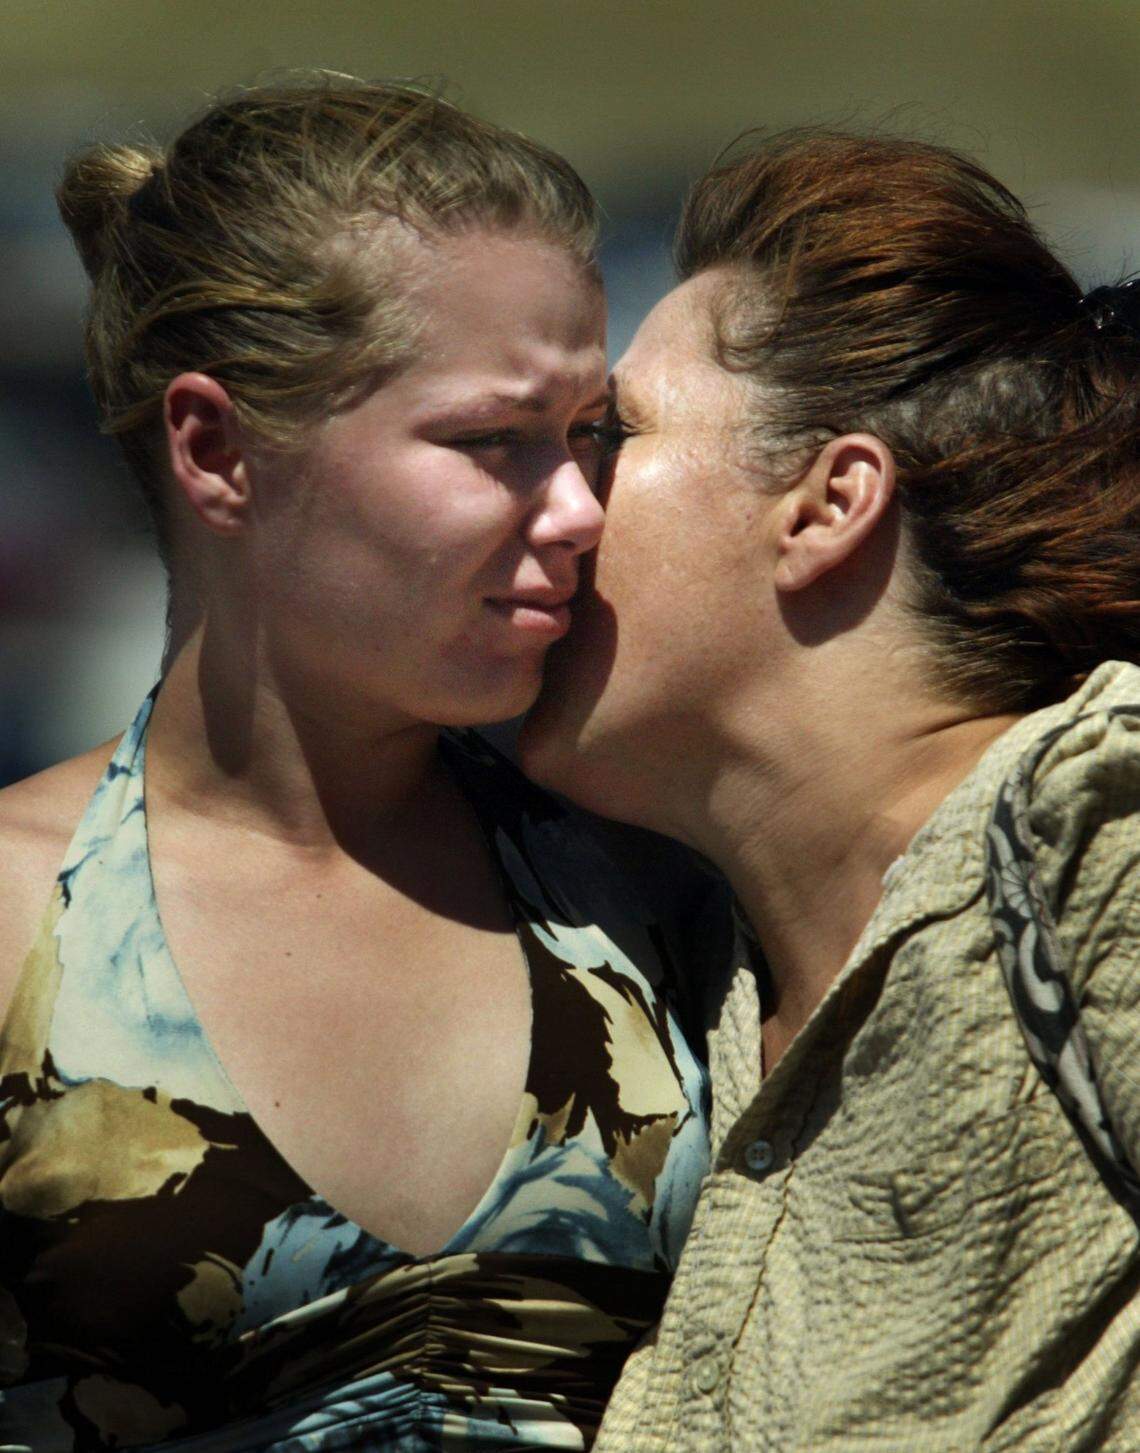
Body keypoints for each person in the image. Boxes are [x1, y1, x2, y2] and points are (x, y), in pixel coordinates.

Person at [0, 79, 717, 1452]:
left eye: (586, 438)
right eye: (493, 440)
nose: (579, 510)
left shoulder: (648, 889)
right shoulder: (21, 919)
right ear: (214, 447)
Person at [521, 130, 1140, 1450]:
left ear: (828, 501)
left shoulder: (1103, 834)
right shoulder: (679, 990)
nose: (554, 504)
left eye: (609, 435)